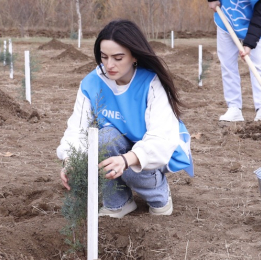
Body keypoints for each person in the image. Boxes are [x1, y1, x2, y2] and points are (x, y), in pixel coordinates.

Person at [56, 20, 193, 218]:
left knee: (130, 166)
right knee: (103, 141)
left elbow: (161, 138)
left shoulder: (151, 83)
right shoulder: (91, 83)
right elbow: (76, 128)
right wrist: (69, 160)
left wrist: (127, 160)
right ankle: (118, 203)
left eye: (118, 58)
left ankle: (159, 197)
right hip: (121, 144)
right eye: (104, 57)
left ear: (134, 55)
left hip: (158, 148)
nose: (109, 65)